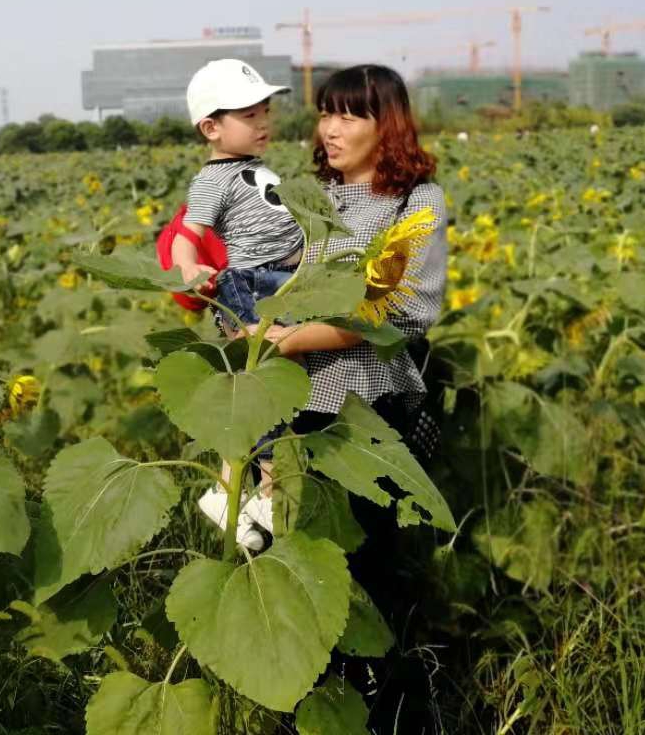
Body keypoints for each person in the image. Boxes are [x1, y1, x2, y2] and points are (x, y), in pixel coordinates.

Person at [261, 63, 449, 730]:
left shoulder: (415, 203)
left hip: (365, 411)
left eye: (350, 115)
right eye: (325, 113)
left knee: (365, 582)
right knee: (288, 569)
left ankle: (386, 711)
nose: (331, 128)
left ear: (387, 124)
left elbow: (394, 306)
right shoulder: (309, 197)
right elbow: (255, 269)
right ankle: (299, 705)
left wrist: (294, 338)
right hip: (290, 410)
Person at [169, 58, 307, 550]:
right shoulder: (211, 181)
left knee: (262, 395)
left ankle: (229, 496)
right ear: (211, 127)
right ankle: (263, 496)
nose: (264, 121)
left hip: (281, 279)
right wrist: (190, 268)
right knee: (265, 396)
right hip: (251, 287)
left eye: (265, 110)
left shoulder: (251, 167)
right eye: (249, 115)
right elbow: (189, 236)